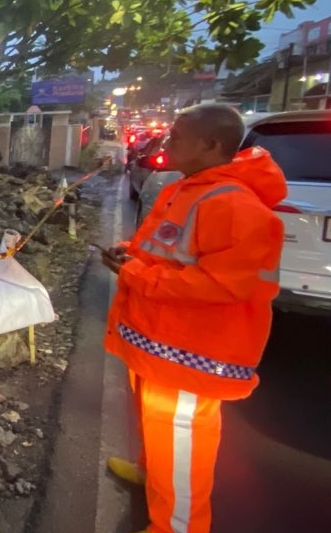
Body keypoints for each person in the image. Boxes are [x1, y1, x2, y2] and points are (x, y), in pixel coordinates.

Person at [100, 104, 286, 533]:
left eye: (177, 136)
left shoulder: (235, 205)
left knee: (180, 447)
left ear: (212, 144)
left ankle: (177, 526)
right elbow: (174, 250)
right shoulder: (190, 189)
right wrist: (133, 253)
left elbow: (220, 286)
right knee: (161, 436)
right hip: (161, 342)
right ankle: (152, 476)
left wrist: (136, 273)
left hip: (189, 354)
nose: (165, 143)